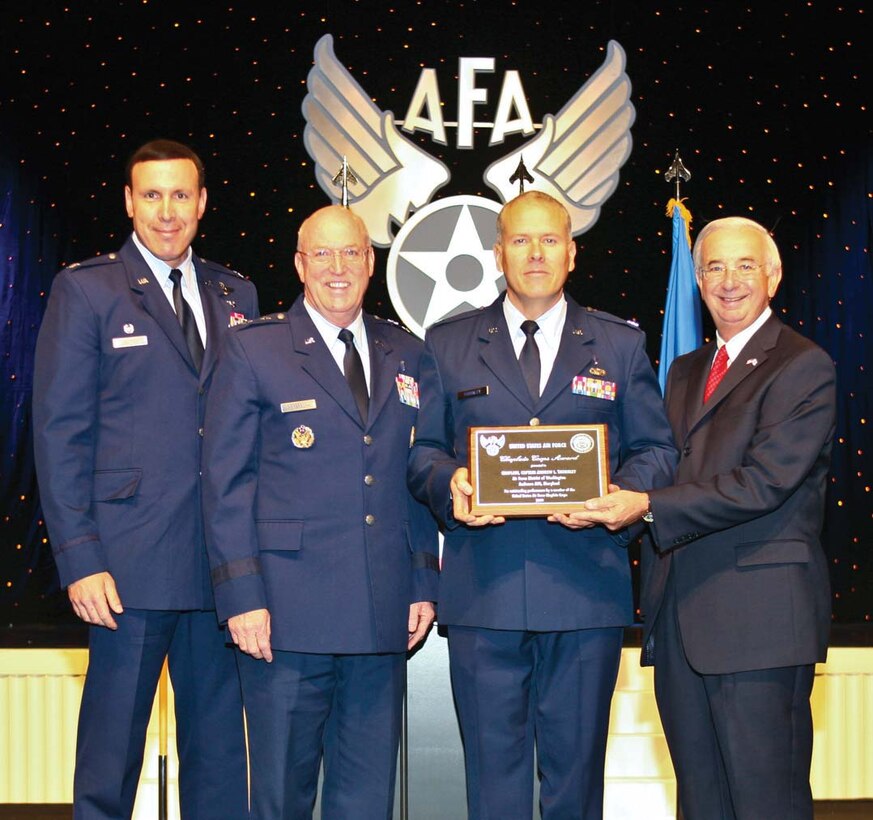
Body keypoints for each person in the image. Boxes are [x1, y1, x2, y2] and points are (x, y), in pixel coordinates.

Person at [407, 191, 677, 819]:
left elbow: (657, 451)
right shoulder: (447, 344)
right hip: (485, 596)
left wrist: (625, 496)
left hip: (585, 592)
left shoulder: (618, 344)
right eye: (521, 241)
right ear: (498, 254)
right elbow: (421, 453)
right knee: (493, 785)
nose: (535, 253)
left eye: (550, 240)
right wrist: (451, 483)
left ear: (572, 253)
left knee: (576, 782)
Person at [579, 216, 836, 818]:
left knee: (764, 801)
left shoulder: (802, 365)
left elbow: (764, 483)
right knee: (700, 803)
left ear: (772, 276)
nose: (729, 281)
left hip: (760, 624)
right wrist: (592, 488)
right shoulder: (685, 369)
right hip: (680, 623)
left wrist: (645, 504)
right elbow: (665, 461)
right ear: (697, 280)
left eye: (746, 265)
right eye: (714, 268)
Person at [32, 139, 257, 818]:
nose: (167, 212)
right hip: (124, 565)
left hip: (219, 567)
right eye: (152, 195)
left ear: (203, 203)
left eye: (181, 195)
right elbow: (58, 432)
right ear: (129, 202)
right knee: (110, 757)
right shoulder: (87, 288)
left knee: (220, 759)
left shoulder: (236, 291)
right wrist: (80, 559)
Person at [202, 204, 438, 819]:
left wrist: (421, 581)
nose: (339, 268)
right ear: (301, 264)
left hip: (380, 608)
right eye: (324, 255)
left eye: (352, 253)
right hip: (284, 611)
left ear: (371, 261)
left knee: (366, 798)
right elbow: (226, 484)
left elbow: (410, 478)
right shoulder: (255, 348)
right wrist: (242, 595)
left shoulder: (406, 352)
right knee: (281, 793)